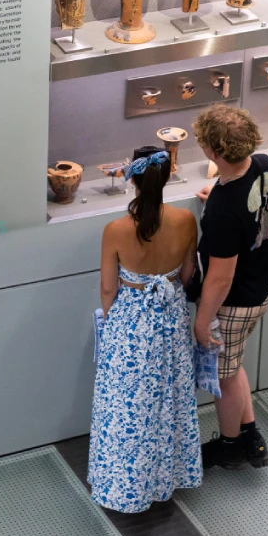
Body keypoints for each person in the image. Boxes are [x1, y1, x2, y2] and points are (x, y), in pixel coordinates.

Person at [89, 146, 202, 513]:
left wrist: (114, 325)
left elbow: (109, 289)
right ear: (168, 176)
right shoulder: (186, 220)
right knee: (169, 401)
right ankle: (166, 479)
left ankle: (125, 487)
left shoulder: (116, 230)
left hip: (130, 327)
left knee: (126, 409)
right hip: (171, 319)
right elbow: (187, 275)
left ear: (133, 179)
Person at [192, 104, 268, 470]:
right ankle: (249, 435)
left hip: (232, 303)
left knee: (224, 377)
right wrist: (216, 196)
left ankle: (229, 445)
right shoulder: (266, 165)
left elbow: (220, 277)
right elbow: (254, 206)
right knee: (235, 363)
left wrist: (202, 320)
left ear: (213, 152)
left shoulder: (225, 211)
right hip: (260, 288)